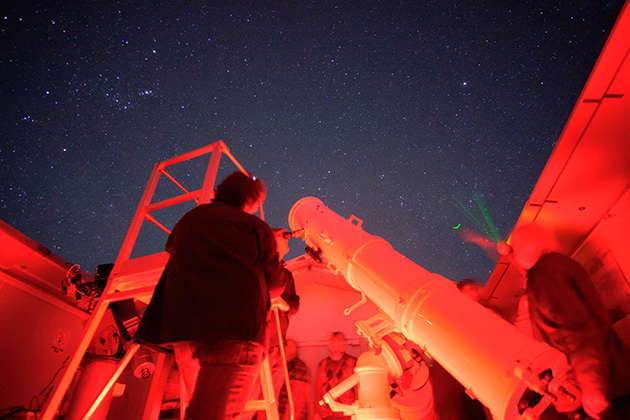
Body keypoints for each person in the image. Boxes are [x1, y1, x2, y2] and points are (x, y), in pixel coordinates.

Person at [134, 171, 286, 420]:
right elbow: (276, 285)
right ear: (249, 201)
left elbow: (177, 248)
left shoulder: (190, 219)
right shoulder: (257, 228)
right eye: (256, 203)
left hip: (185, 334)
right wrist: (277, 251)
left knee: (201, 411)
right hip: (234, 333)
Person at [507, 224, 630, 420]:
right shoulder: (560, 266)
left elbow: (574, 332)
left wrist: (592, 388)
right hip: (616, 375)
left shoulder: (544, 276)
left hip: (607, 389)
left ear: (525, 250)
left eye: (515, 250)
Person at [245, 228, 300, 420]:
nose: (287, 238)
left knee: (270, 401)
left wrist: (285, 306)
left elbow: (295, 303)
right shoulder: (256, 268)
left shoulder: (287, 275)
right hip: (260, 343)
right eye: (282, 235)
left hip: (279, 346)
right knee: (249, 399)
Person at [314, 332, 357, 420]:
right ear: (329, 345)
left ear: (344, 344)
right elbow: (318, 390)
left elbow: (358, 389)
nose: (336, 344)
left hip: (347, 412)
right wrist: (316, 412)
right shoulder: (323, 365)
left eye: (339, 341)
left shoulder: (353, 363)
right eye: (333, 341)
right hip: (327, 414)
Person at [277, 339, 311, 420]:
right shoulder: (280, 365)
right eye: (286, 346)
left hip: (290, 415)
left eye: (290, 346)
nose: (287, 349)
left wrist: (289, 416)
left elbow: (298, 397)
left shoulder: (298, 367)